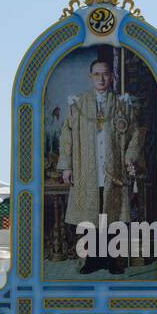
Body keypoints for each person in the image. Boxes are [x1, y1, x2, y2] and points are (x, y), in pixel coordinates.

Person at [57, 47, 142, 274]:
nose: (101, 79)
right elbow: (67, 136)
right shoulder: (78, 105)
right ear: (90, 77)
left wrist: (129, 157)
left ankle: (112, 261)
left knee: (111, 217)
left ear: (111, 77)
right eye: (97, 74)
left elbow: (134, 134)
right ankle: (93, 261)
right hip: (87, 170)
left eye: (105, 74)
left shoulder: (123, 105)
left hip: (114, 171)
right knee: (91, 217)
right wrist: (66, 166)